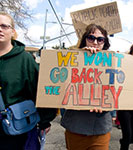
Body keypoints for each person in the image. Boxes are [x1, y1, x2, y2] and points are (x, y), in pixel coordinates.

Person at [0, 12, 57, 150]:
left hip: (15, 130)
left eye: (4, 26)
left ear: (13, 31)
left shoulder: (25, 59)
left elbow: (40, 90)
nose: (0, 29)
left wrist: (44, 121)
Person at [61, 24, 112, 150]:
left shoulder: (113, 62)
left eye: (100, 39)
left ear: (104, 43)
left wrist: (106, 106)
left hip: (100, 129)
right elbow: (61, 86)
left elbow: (117, 92)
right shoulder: (71, 58)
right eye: (91, 38)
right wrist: (82, 57)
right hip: (75, 127)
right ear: (85, 39)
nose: (95, 42)